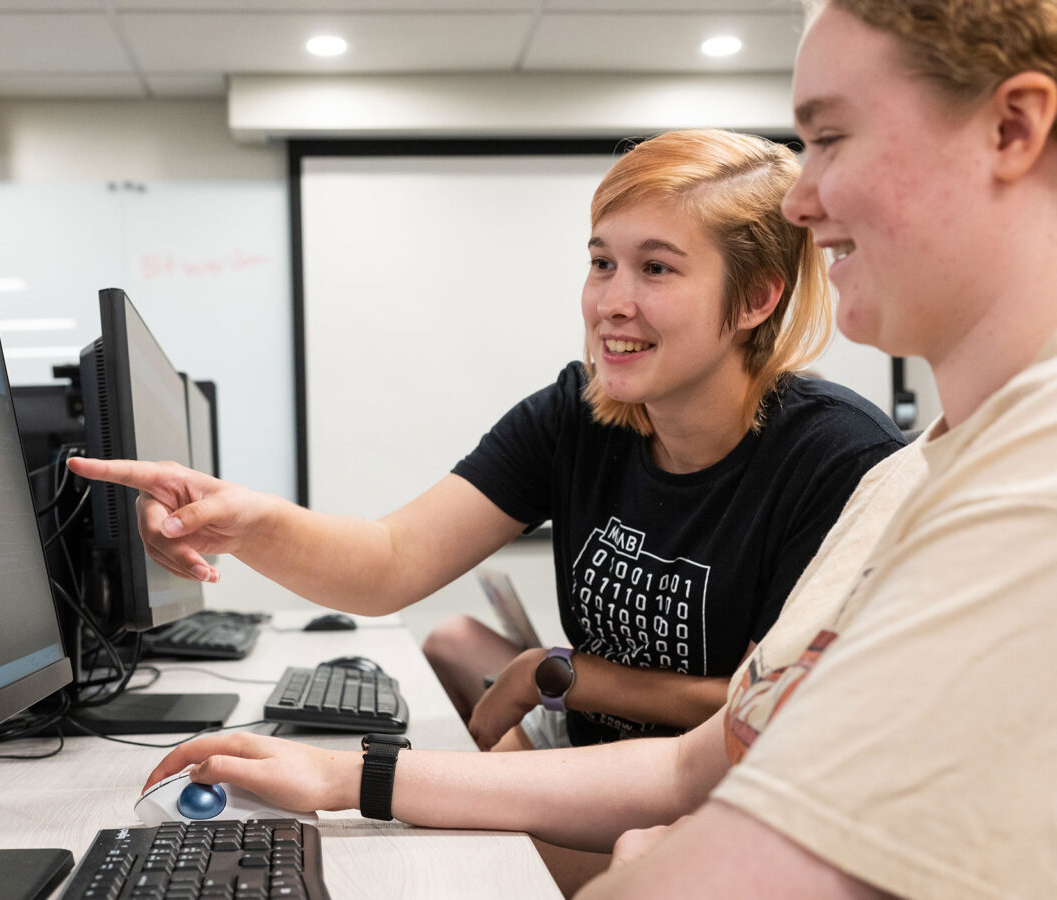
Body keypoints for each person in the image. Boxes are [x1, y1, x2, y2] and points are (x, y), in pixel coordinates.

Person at [71, 0, 1057, 896]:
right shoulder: (913, 476)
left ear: (754, 300)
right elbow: (699, 758)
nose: (807, 200)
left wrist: (641, 847)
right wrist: (343, 766)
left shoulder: (911, 476)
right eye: (600, 262)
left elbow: (734, 813)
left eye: (833, 137)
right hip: (627, 797)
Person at [70, 130, 903, 770]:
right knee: (442, 667)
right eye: (601, 262)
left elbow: (763, 713)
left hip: (713, 808)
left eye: (656, 269)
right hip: (592, 771)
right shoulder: (579, 411)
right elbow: (390, 560)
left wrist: (568, 672)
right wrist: (245, 521)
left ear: (757, 297)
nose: (612, 301)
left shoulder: (833, 459)